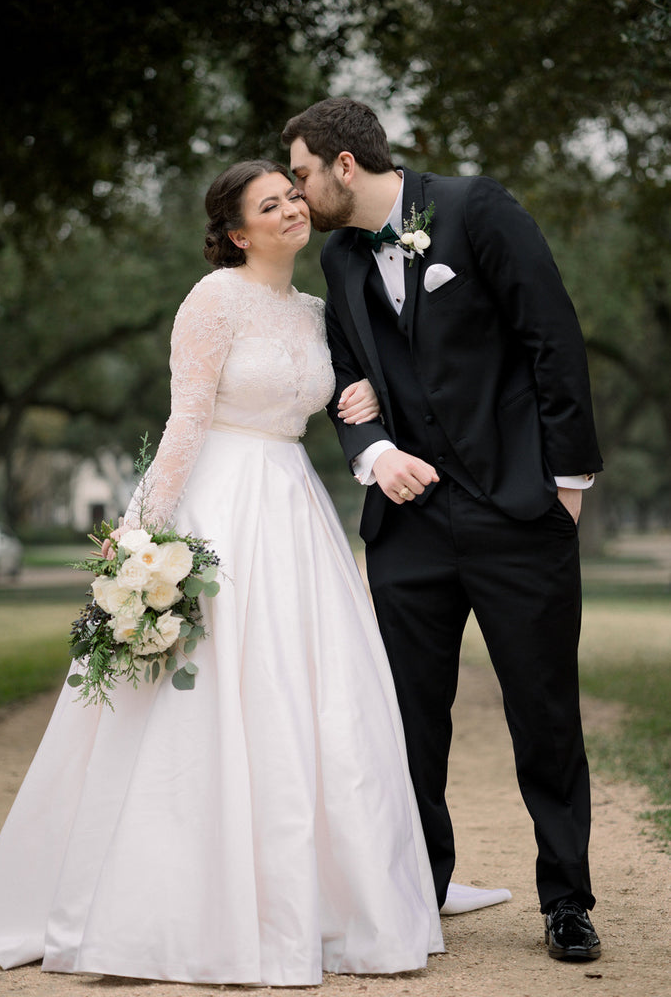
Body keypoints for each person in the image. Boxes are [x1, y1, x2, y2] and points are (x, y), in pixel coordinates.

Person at [0, 159, 444, 985]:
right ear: (238, 231)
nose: (290, 210)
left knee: (310, 696)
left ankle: (321, 902)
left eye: (292, 196)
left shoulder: (318, 310)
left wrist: (367, 400)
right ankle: (171, 901)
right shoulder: (212, 299)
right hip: (219, 507)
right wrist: (139, 539)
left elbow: (348, 384)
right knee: (202, 694)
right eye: (269, 205)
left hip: (294, 510)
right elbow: (185, 420)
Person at [282, 98, 604, 962]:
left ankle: (566, 899)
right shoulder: (339, 258)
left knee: (543, 712)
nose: (298, 190)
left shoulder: (476, 209)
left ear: (345, 165)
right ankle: (415, 894)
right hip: (408, 524)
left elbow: (553, 342)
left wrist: (567, 483)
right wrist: (373, 449)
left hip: (517, 509)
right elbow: (347, 377)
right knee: (406, 721)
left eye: (304, 173)